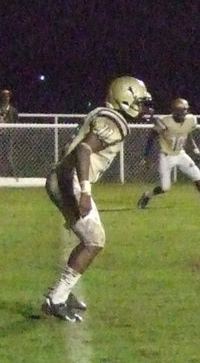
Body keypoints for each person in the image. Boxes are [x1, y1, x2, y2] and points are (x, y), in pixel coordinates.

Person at [40, 76, 152, 322]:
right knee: (94, 241)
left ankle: (62, 293)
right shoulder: (115, 122)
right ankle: (56, 299)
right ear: (125, 99)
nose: (144, 108)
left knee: (88, 239)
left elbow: (73, 147)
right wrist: (85, 191)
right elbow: (83, 149)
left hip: (62, 178)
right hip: (69, 183)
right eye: (140, 102)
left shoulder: (101, 113)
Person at [136, 98, 200, 208]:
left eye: (185, 110)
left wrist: (195, 149)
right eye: (181, 110)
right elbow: (151, 137)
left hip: (180, 154)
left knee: (197, 175)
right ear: (175, 111)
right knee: (165, 187)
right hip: (166, 155)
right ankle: (148, 195)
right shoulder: (165, 121)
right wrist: (147, 156)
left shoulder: (190, 120)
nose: (184, 113)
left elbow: (188, 133)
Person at [0, 89, 17, 176]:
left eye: (7, 96)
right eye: (4, 96)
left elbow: (15, 123)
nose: (6, 98)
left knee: (8, 155)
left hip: (8, 136)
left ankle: (12, 175)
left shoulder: (13, 110)